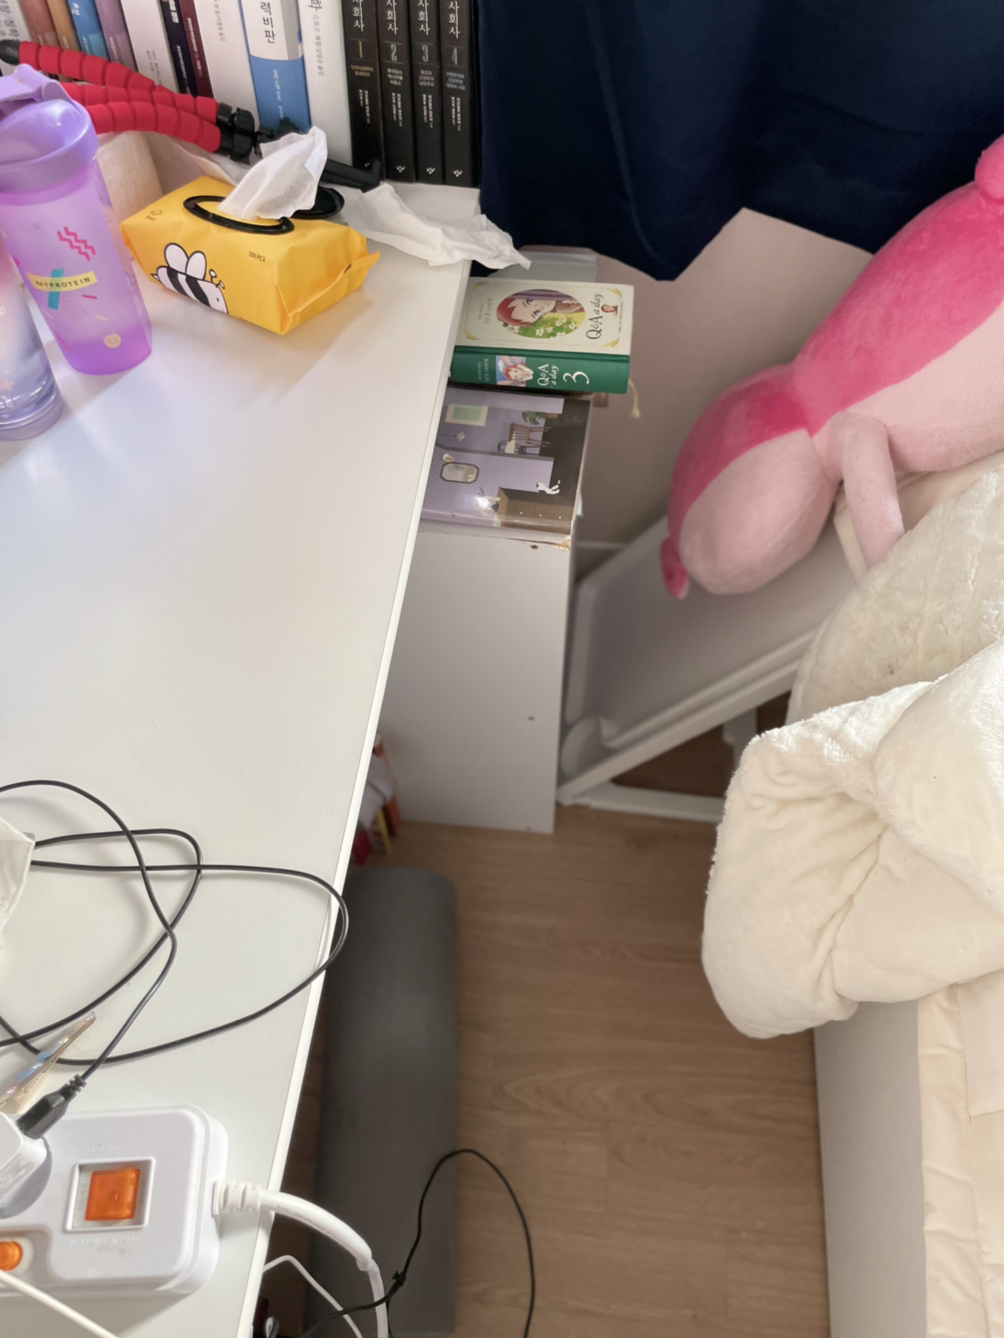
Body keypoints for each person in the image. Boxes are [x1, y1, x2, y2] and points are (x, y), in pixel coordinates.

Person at [497, 289, 584, 327]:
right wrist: (578, 305)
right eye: (536, 312)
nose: (539, 306)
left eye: (529, 301)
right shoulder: (565, 305)